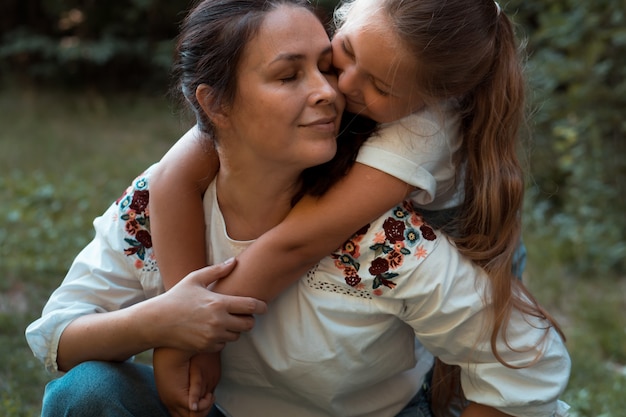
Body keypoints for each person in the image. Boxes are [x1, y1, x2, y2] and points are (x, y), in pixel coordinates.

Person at [26, 0, 571, 416]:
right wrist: (166, 322)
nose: (335, 91)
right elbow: (57, 335)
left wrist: (199, 334)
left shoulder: (383, 226)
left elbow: (299, 241)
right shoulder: (163, 196)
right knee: (86, 393)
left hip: (420, 304)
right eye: (294, 73)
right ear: (214, 104)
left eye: (328, 70)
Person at [148, 0, 529, 412]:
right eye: (342, 53)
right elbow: (172, 178)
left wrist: (191, 343)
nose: (341, 86)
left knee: (462, 382)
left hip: (459, 252)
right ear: (348, 13)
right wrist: (181, 312)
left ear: (436, 98)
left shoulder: (423, 133)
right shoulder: (373, 68)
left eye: (380, 88)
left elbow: (297, 243)